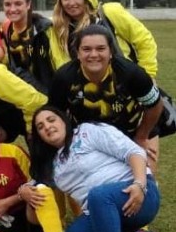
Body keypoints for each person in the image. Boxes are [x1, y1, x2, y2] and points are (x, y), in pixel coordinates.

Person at [30, 106, 159, 232]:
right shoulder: (52, 165)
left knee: (98, 195)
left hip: (136, 195)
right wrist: (23, 191)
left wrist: (140, 185)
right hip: (99, 212)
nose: (47, 127)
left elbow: (134, 152)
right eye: (40, 126)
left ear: (64, 119)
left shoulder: (87, 131)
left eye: (51, 119)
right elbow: (34, 186)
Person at [48, 25, 163, 172]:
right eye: (87, 49)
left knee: (145, 182)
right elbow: (54, 114)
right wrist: (65, 144)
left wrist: (142, 136)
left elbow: (155, 104)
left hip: (133, 132)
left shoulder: (131, 73)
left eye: (101, 49)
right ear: (77, 53)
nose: (94, 54)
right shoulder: (64, 77)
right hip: (89, 140)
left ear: (111, 53)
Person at [47, 0, 157, 78]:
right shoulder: (56, 28)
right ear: (60, 2)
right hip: (85, 91)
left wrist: (147, 75)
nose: (71, 3)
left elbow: (144, 40)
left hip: (125, 84)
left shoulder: (109, 13)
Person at [0, 0, 56, 94]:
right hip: (21, 92)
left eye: (18, 4)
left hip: (47, 93)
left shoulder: (44, 29)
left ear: (28, 4)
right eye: (7, 4)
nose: (12, 9)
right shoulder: (5, 28)